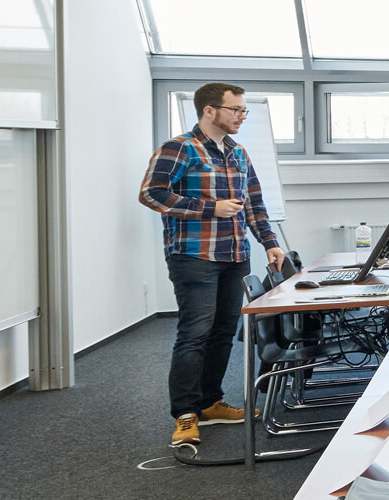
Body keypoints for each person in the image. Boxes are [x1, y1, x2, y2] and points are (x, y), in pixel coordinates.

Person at [140, 82, 285, 447]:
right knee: (194, 333)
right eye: (235, 109)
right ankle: (186, 414)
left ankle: (210, 403)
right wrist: (209, 208)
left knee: (223, 333)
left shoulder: (237, 152)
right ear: (209, 110)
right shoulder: (178, 148)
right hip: (193, 256)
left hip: (234, 254)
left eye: (243, 110)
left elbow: (254, 203)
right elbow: (151, 194)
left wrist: (270, 244)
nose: (241, 116)